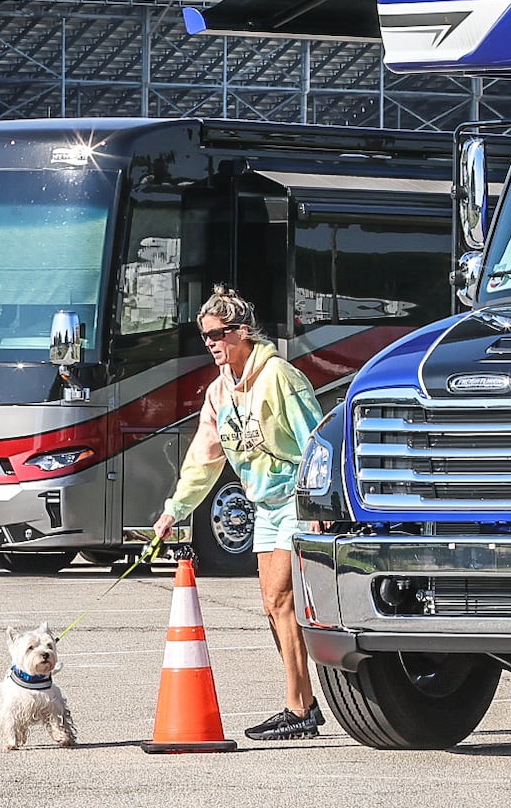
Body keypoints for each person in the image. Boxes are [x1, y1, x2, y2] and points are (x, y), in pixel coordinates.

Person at [152, 284, 325, 741]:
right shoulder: (218, 393)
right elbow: (204, 457)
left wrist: (319, 503)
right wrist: (176, 509)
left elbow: (316, 440)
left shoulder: (279, 377)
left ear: (242, 332)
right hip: (264, 504)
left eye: (216, 334)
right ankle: (304, 702)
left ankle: (298, 707)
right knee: (272, 604)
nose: (210, 343)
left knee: (283, 599)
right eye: (204, 336)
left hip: (295, 500)